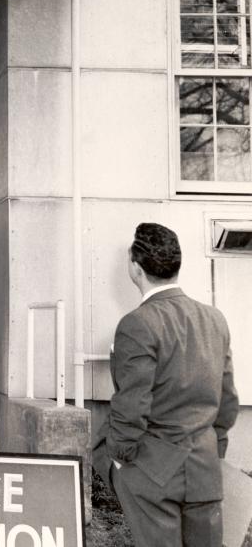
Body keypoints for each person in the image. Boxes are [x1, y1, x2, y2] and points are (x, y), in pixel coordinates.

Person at [92, 223, 239, 547]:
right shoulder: (215, 319)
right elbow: (227, 402)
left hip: (152, 473)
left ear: (135, 266)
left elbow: (132, 406)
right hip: (204, 470)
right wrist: (214, 452)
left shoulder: (137, 323)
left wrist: (118, 458)